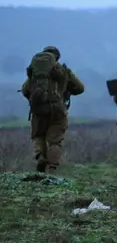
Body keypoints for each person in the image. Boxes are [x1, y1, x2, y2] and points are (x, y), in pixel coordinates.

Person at [21, 46, 84, 174]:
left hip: (38, 110)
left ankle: (41, 158)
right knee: (55, 140)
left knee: (38, 136)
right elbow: (80, 88)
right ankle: (52, 168)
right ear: (57, 57)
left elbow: (25, 90)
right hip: (57, 110)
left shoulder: (35, 72)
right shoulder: (62, 70)